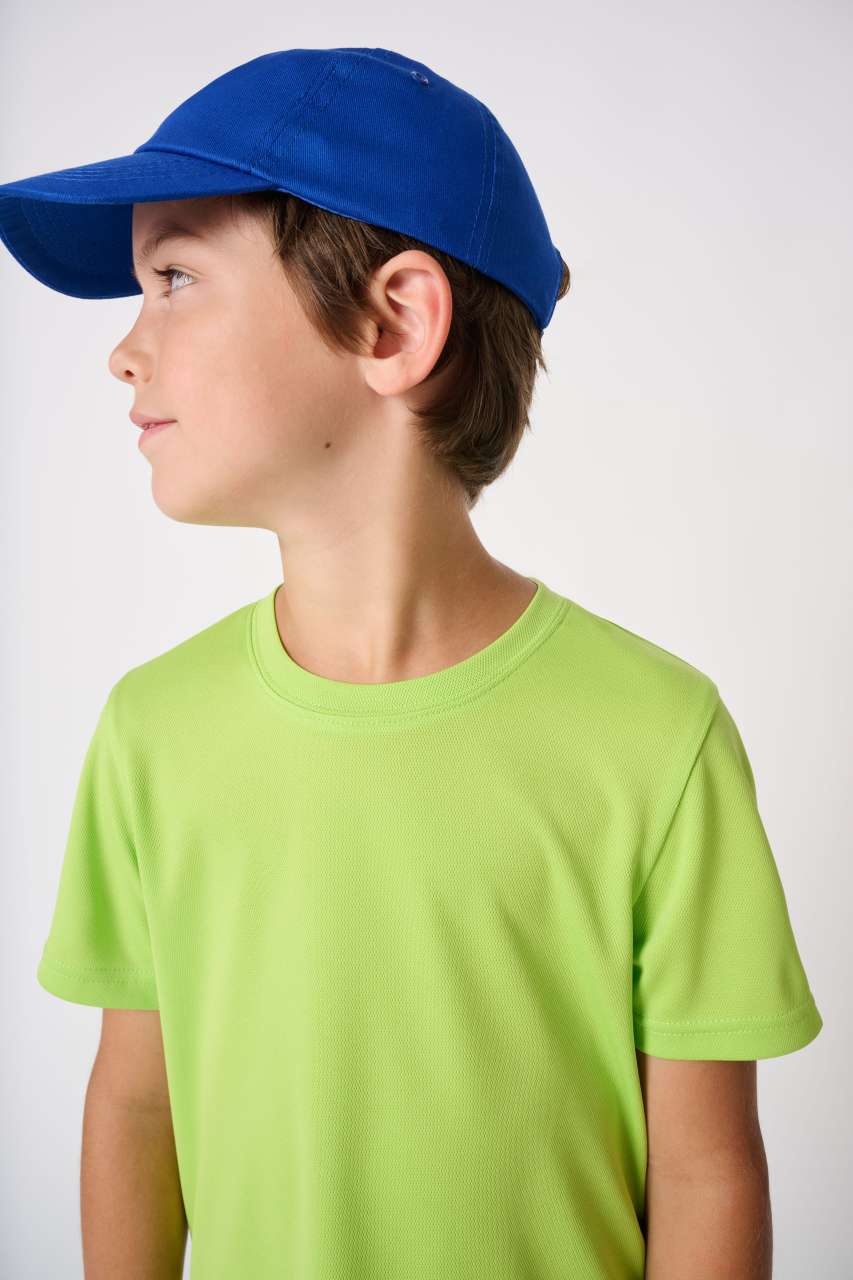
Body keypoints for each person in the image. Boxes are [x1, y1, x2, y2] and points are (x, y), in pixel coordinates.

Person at [0, 46, 822, 1280]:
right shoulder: (151, 732)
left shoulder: (658, 742)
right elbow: (133, 1105)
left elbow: (705, 1167)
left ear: (394, 320)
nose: (125, 348)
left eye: (174, 277)